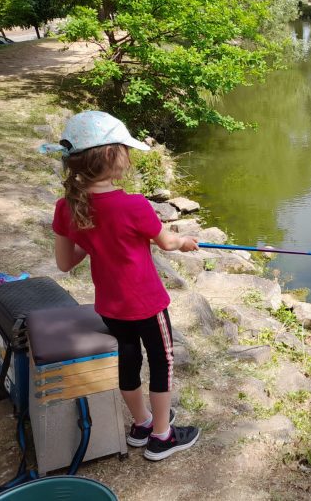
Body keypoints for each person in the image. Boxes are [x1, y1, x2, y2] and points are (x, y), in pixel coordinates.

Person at [46, 110, 200, 461]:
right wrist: (186, 240)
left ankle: (142, 423)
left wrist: (93, 236)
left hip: (111, 307)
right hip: (147, 304)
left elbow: (65, 263)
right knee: (162, 363)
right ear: (112, 156)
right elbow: (167, 243)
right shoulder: (134, 205)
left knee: (128, 362)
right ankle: (162, 436)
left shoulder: (66, 207)